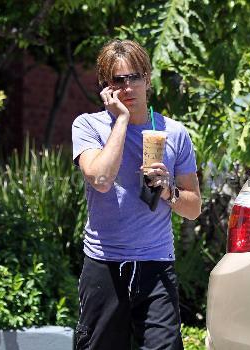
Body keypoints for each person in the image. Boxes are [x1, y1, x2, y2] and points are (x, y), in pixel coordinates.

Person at [72, 39, 202, 350]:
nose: (128, 87)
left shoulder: (174, 133)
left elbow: (194, 207)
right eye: (119, 80)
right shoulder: (88, 126)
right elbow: (101, 179)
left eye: (135, 77)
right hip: (105, 264)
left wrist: (168, 190)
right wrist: (122, 121)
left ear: (147, 78)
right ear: (106, 86)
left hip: (155, 264)